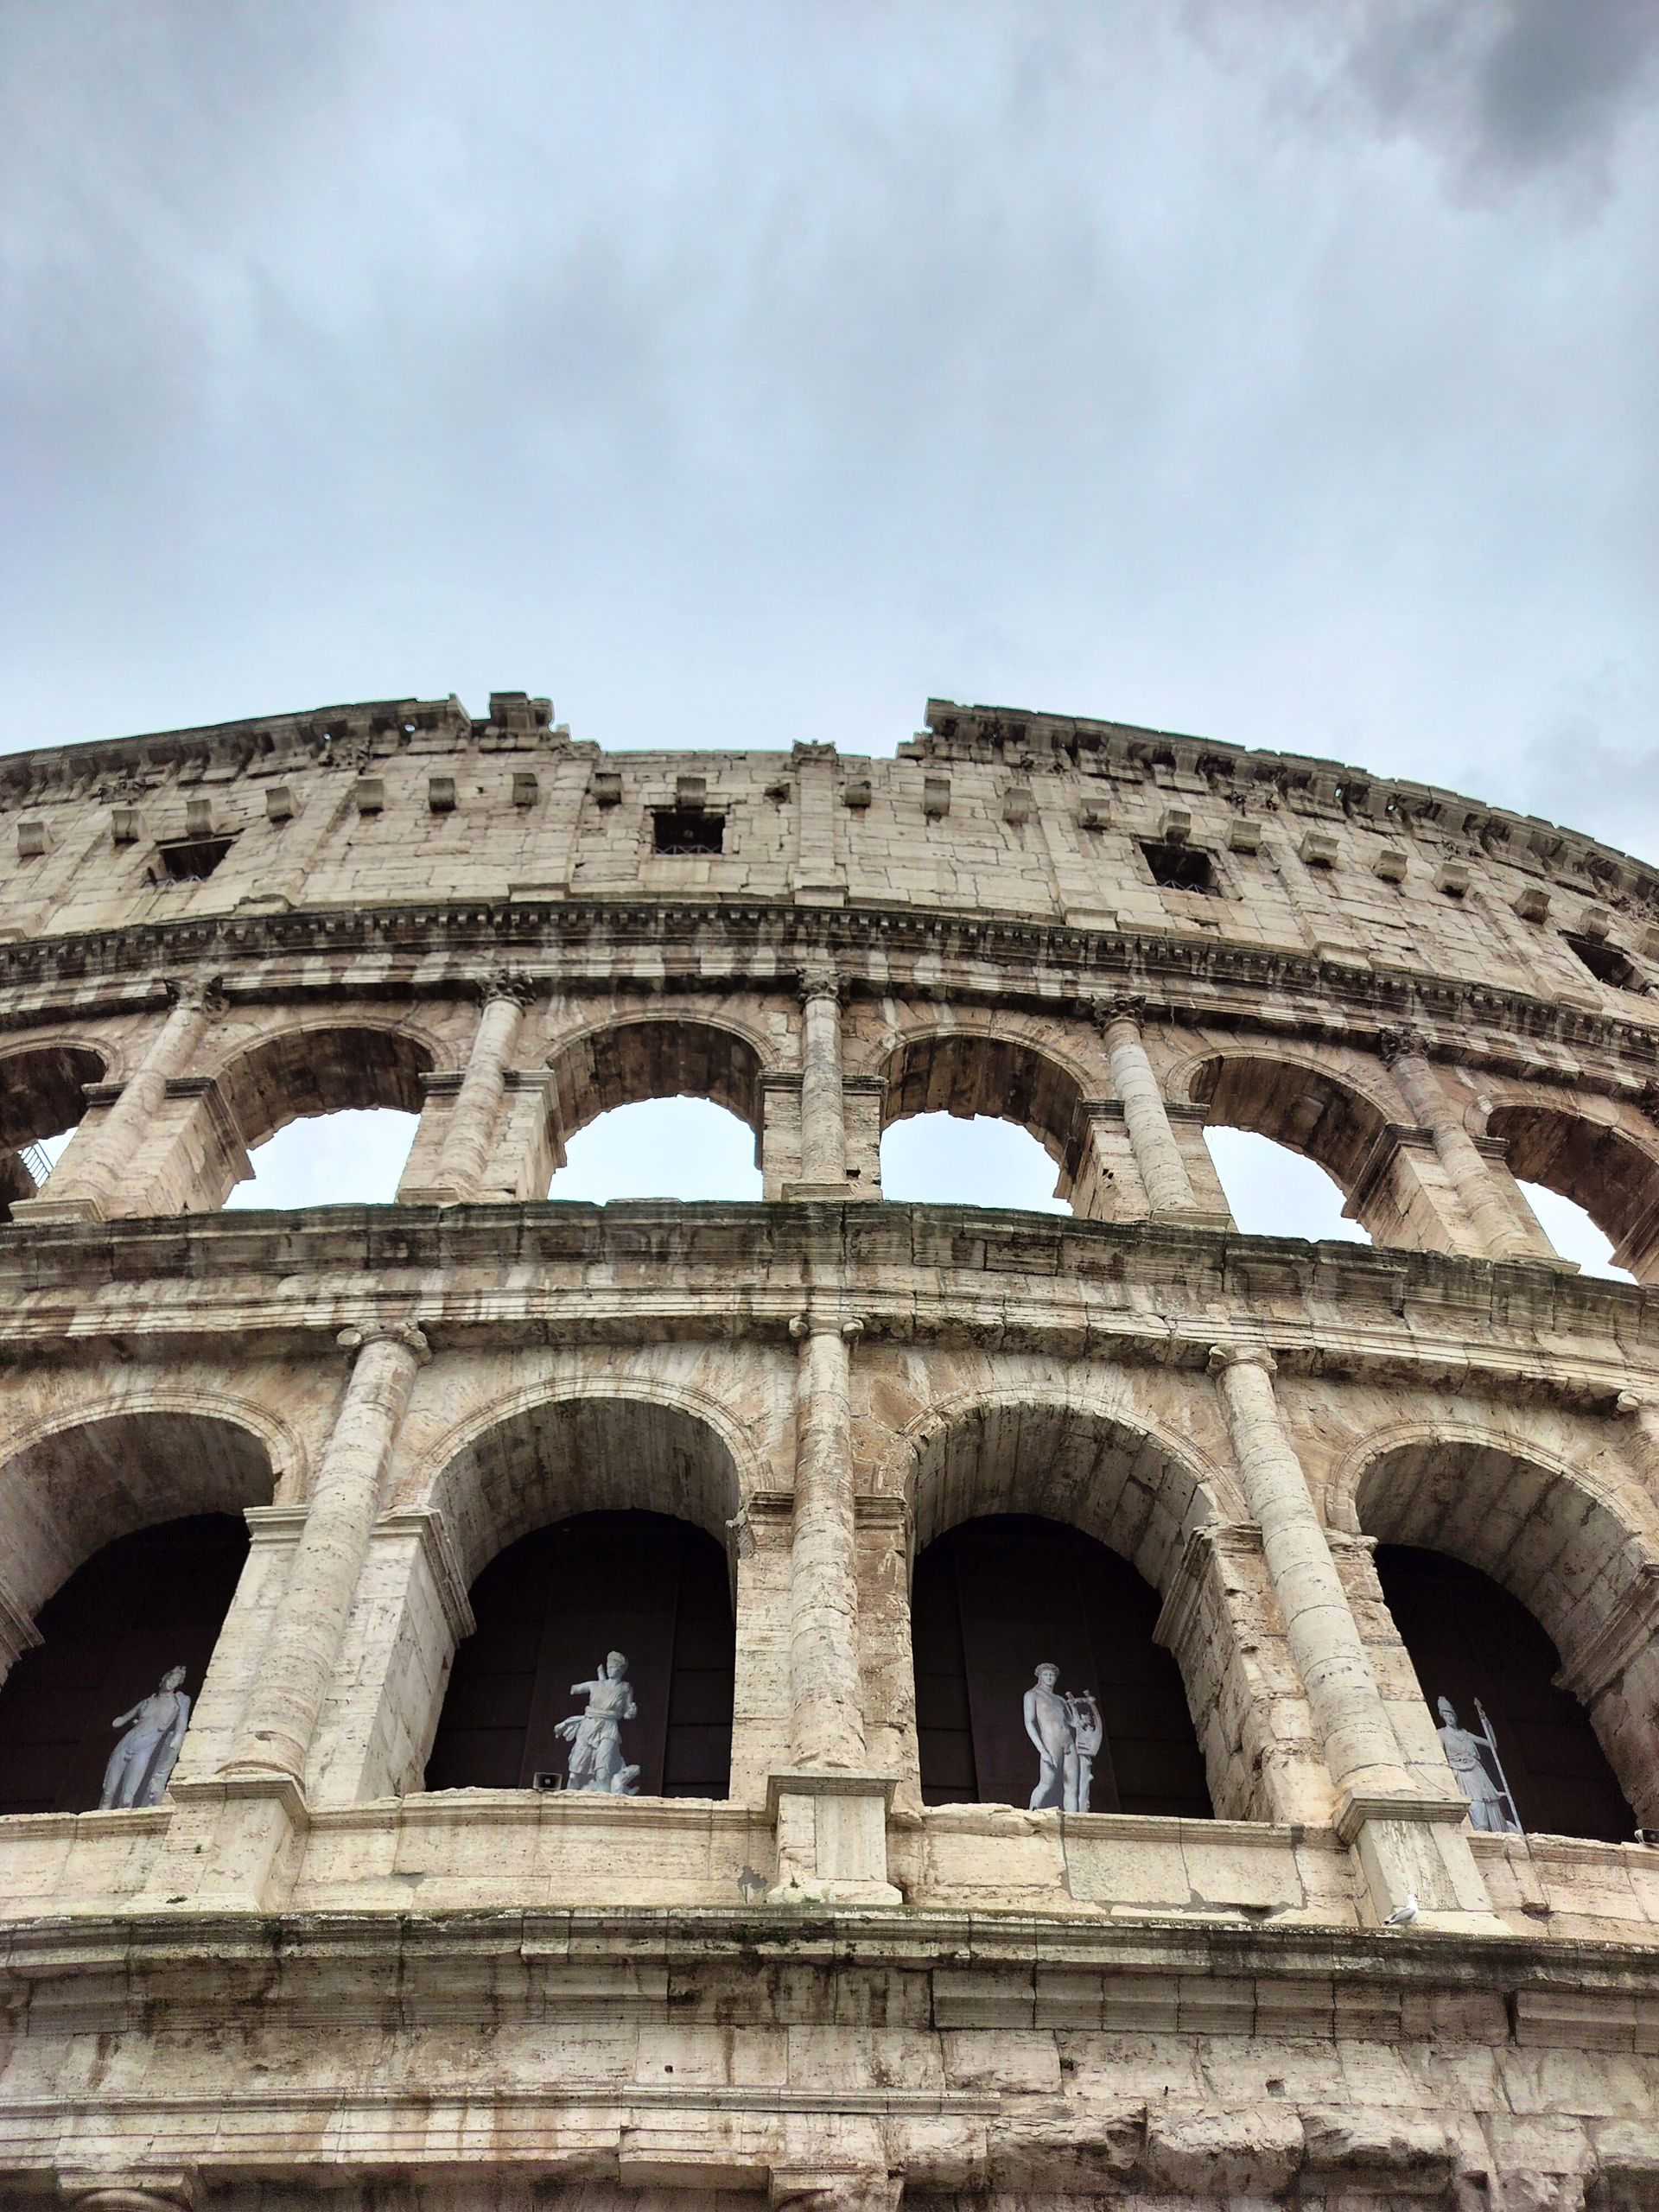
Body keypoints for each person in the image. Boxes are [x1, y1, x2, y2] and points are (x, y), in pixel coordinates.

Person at [100, 1667, 191, 1809]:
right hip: (126, 1744)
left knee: (126, 1798)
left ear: (178, 1684)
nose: (170, 1682)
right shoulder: (147, 1702)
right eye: (169, 1678)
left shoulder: (177, 1703)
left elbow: (180, 1727)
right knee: (108, 1794)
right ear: (162, 1680)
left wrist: (177, 1739)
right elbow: (121, 1720)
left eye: (175, 1680)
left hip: (144, 1750)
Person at [556, 1650, 639, 1794]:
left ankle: (604, 1801)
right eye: (609, 1667)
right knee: (574, 1774)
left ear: (621, 1670)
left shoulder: (625, 1688)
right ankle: (569, 1800)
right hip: (589, 1727)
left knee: (602, 1772)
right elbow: (574, 1689)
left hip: (609, 1729)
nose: (611, 1670)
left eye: (614, 1667)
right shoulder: (594, 1685)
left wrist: (631, 1712)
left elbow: (626, 1713)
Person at [1436, 1696, 1518, 1834]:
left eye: (1451, 1715)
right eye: (1446, 1715)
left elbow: (1492, 1745)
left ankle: (1496, 1829)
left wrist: (1486, 1724)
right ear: (1443, 1717)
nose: (1449, 1718)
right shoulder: (1441, 1734)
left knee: (1489, 1801)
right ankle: (1481, 1828)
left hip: (1476, 1770)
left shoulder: (1466, 1734)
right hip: (1461, 1772)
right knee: (1475, 1803)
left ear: (1455, 1716)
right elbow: (1440, 1756)